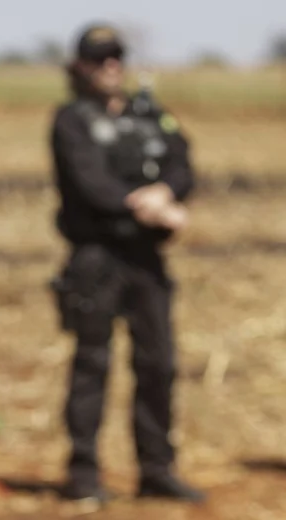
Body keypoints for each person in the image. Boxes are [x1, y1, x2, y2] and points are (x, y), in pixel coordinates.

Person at [49, 24, 203, 503]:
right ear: (81, 67)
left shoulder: (151, 114)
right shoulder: (71, 119)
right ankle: (84, 474)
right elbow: (90, 183)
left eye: (116, 57)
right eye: (99, 59)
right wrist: (151, 205)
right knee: (93, 363)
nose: (110, 66)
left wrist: (167, 192)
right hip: (96, 257)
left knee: (159, 363)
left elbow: (183, 164)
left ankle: (156, 468)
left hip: (147, 260)